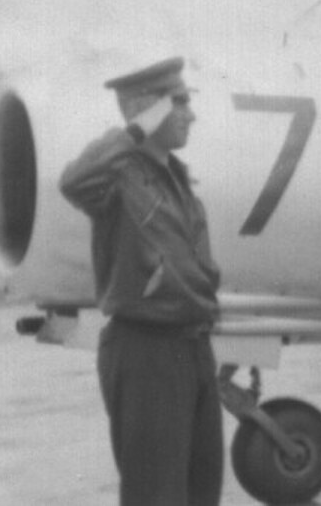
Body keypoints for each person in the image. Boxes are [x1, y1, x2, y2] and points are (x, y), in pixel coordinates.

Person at [61, 56, 224, 506]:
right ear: (146, 110)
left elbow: (199, 267)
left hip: (193, 348)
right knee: (157, 497)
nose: (191, 114)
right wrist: (135, 129)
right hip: (147, 352)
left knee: (202, 492)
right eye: (180, 102)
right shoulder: (119, 178)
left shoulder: (178, 179)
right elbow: (74, 181)